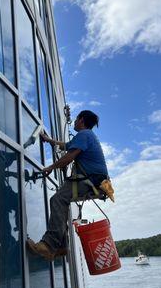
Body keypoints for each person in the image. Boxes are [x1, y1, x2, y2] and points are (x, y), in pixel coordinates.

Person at [26, 110, 110, 261]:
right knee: (60, 202)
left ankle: (49, 245)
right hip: (95, 179)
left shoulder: (84, 135)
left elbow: (69, 157)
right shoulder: (87, 136)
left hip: (90, 179)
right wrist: (49, 140)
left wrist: (51, 167)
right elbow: (65, 146)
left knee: (57, 200)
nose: (75, 122)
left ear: (81, 120)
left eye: (77, 119)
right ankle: (61, 246)